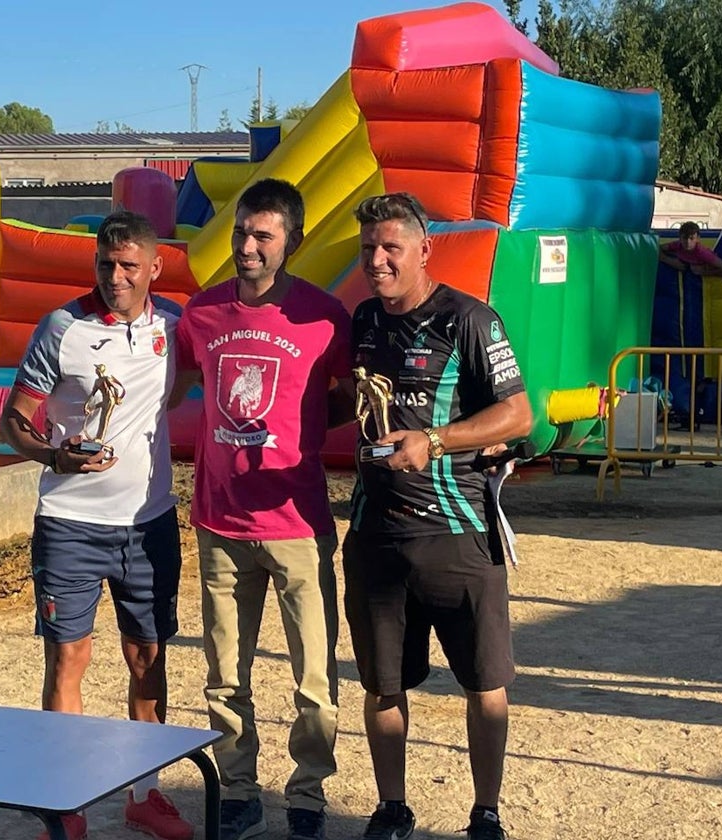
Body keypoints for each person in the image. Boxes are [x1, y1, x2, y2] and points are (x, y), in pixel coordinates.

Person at [0, 210, 192, 840]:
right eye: (106, 264)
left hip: (149, 523)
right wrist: (54, 455)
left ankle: (146, 795)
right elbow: (13, 422)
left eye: (129, 265)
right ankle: (67, 800)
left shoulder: (175, 327)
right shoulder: (61, 328)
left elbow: (183, 385)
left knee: (147, 658)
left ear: (155, 267)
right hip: (70, 524)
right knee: (68, 659)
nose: (115, 276)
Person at [345, 192, 533, 840]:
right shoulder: (363, 320)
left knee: (484, 684)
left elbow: (518, 414)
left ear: (425, 250)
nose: (377, 259)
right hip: (375, 534)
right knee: (383, 686)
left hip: (457, 536)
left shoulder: (469, 320)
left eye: (391, 247)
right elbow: (353, 401)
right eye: (369, 248)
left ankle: (486, 811)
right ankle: (392, 806)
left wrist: (437, 440)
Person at [171, 178, 354, 840]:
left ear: (292, 242)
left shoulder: (325, 316)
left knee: (314, 676)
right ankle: (240, 789)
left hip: (297, 526)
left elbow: (343, 402)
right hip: (219, 523)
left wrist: (301, 433)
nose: (247, 245)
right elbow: (173, 389)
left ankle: (307, 793)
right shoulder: (201, 314)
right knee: (224, 675)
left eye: (262, 235)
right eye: (241, 231)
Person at [658, 221, 722, 277]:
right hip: (685, 263)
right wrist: (664, 258)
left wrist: (706, 271)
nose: (688, 242)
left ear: (697, 239)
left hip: (702, 266)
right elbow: (659, 248)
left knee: (695, 269)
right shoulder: (678, 245)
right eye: (685, 238)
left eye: (691, 238)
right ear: (680, 238)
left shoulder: (702, 252)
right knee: (679, 263)